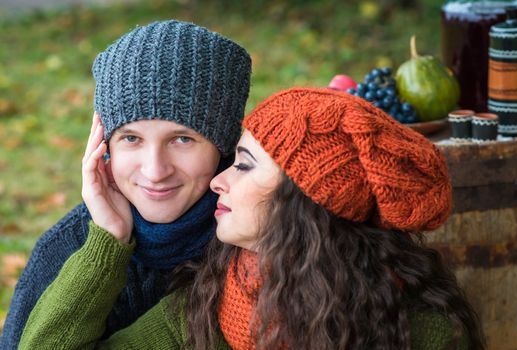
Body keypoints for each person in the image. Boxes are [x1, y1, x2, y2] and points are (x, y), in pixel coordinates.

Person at [19, 87, 485, 349]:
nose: (220, 180)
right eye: (130, 139)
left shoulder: (421, 331)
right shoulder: (209, 304)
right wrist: (106, 239)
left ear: (307, 201)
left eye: (243, 165)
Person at [1, 20, 251, 348]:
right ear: (104, 147)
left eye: (182, 139)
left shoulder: (256, 240)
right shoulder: (63, 249)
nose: (155, 170)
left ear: (223, 147)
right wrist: (107, 242)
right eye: (131, 138)